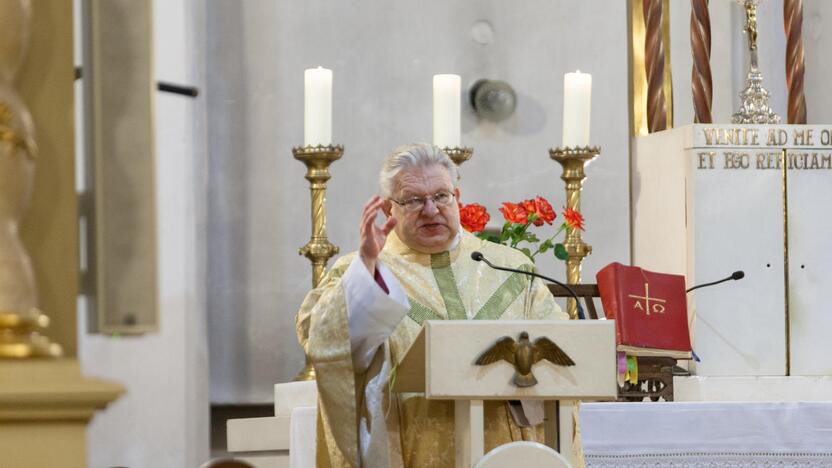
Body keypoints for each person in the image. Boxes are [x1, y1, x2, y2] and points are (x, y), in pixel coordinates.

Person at [295, 143, 571, 468]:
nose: (430, 209)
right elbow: (319, 336)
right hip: (413, 444)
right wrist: (367, 270)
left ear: (457, 196)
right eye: (413, 200)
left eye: (441, 196)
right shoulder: (364, 269)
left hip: (504, 445)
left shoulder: (509, 266)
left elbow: (562, 347)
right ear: (388, 209)